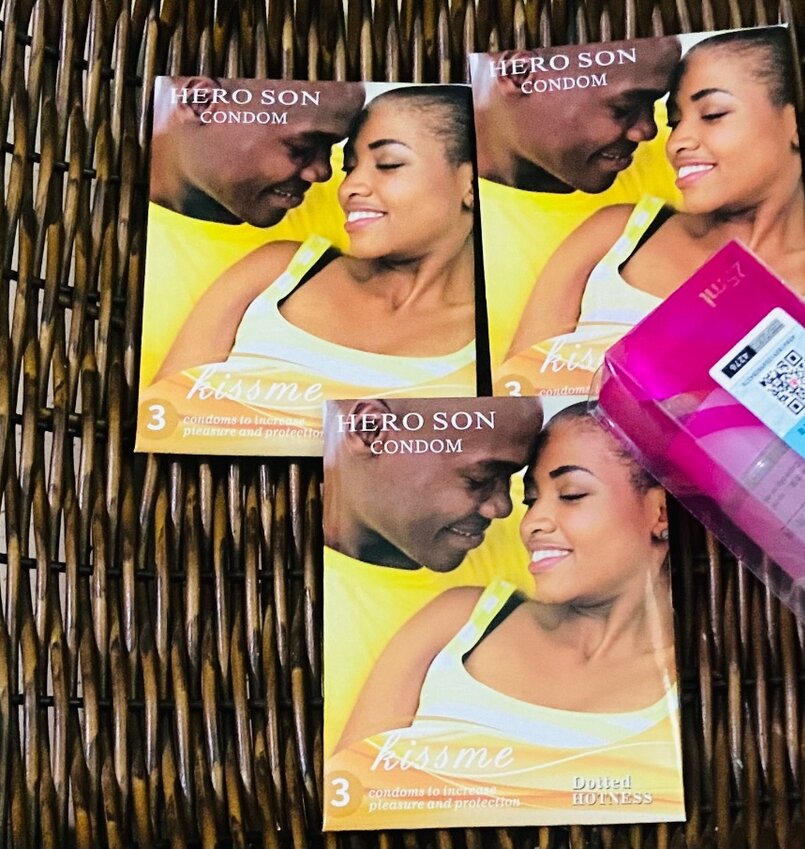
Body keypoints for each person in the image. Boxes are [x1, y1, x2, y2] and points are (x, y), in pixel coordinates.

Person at [339, 402, 676, 753]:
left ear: (661, 512)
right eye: (531, 500)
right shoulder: (458, 623)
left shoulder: (699, 679)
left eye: (571, 495)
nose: (530, 524)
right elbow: (351, 780)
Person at [506, 27, 805, 361]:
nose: (676, 142)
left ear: (796, 122)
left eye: (712, 114)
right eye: (674, 123)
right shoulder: (615, 235)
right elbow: (518, 385)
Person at [154, 86, 478, 401]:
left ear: (471, 182)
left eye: (389, 163)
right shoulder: (277, 272)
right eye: (349, 168)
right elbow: (164, 416)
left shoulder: (492, 331)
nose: (345, 186)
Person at [322, 396, 544, 757]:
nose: (502, 507)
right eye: (479, 479)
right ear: (370, 430)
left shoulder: (545, 531)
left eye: (512, 477)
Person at [469, 39, 684, 366]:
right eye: (623, 108)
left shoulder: (690, 153)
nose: (647, 131)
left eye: (655, 102)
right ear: (520, 73)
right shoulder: (424, 221)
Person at [141, 77, 365, 387]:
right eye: (301, 148)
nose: (322, 172)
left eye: (332, 147)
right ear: (201, 102)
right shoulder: (103, 246)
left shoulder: (364, 194)